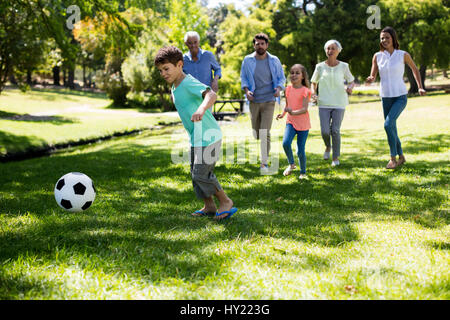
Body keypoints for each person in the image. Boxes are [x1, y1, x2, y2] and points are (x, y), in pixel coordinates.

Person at [154, 45, 237, 220]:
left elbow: (211, 95)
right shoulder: (175, 87)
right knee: (195, 174)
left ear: (179, 65)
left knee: (201, 173)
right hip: (197, 138)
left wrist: (201, 108)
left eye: (166, 69)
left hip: (209, 136)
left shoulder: (188, 81)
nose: (163, 73)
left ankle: (225, 202)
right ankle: (209, 206)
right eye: (160, 71)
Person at [366, 26, 426, 169]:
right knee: (391, 127)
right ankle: (402, 157)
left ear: (393, 38)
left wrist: (420, 86)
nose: (384, 40)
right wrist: (370, 78)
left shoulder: (402, 54)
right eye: (382, 38)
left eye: (387, 37)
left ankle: (392, 158)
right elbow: (373, 75)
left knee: (388, 125)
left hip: (400, 96)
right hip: (385, 97)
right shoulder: (377, 56)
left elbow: (415, 69)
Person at [240, 33, 286, 174]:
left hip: (269, 100)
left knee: (265, 132)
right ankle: (260, 140)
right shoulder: (247, 60)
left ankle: (264, 163)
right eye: (257, 43)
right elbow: (244, 78)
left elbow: (281, 78)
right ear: (254, 45)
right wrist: (247, 91)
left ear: (267, 45)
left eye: (262, 43)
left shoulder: (274, 60)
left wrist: (278, 88)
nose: (260, 46)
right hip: (254, 100)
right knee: (257, 133)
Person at [310, 39, 355, 167]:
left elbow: (351, 80)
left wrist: (350, 87)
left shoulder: (344, 66)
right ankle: (328, 146)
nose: (330, 51)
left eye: (333, 49)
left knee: (335, 130)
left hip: (339, 102)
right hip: (323, 102)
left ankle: (335, 157)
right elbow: (314, 82)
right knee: (325, 131)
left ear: (338, 51)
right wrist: (313, 93)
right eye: (328, 49)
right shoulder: (319, 66)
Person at [276, 64, 312, 179]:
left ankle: (303, 172)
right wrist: (283, 114)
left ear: (302, 76)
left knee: (300, 151)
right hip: (290, 122)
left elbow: (304, 109)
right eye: (292, 73)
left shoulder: (306, 90)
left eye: (297, 73)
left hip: (303, 124)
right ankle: (291, 164)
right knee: (285, 143)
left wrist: (293, 112)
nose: (294, 75)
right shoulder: (288, 89)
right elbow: (288, 105)